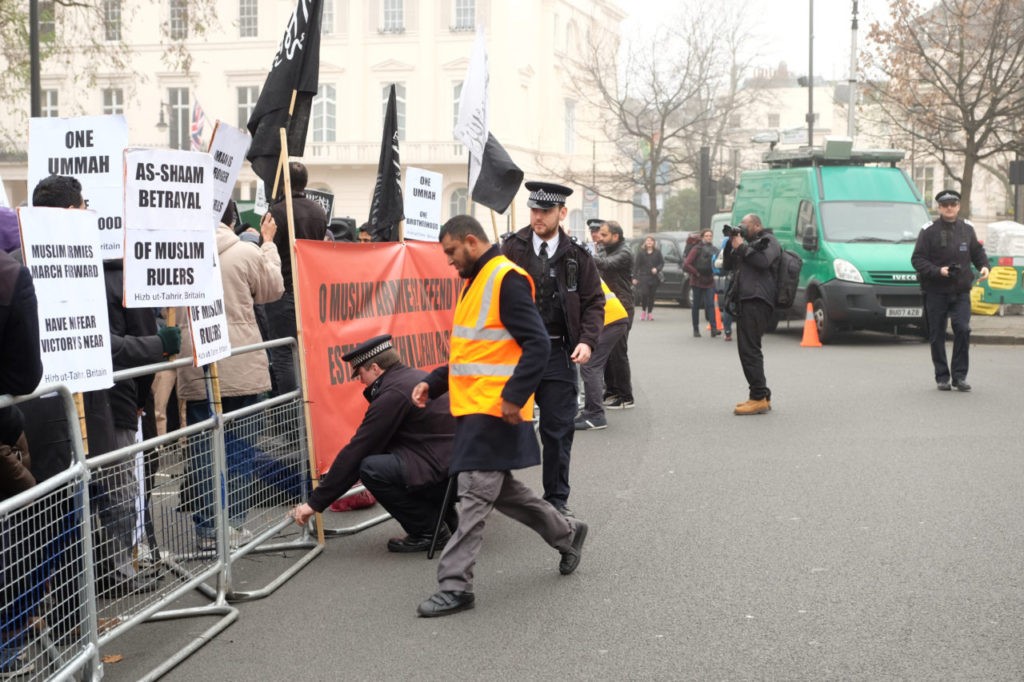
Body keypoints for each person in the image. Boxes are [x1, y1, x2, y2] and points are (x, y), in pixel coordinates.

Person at [413, 215, 588, 618]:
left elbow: (537, 345)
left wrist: (513, 396)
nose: (449, 262)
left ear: (471, 242)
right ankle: (567, 532)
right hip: (479, 409)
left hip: (495, 410)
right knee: (501, 491)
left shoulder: (503, 278)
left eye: (452, 252)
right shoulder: (478, 280)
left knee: (474, 493)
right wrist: (433, 382)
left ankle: (455, 585)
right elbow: (474, 353)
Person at [32, 174, 182, 594]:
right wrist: (158, 343)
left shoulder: (104, 272)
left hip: (100, 402)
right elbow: (106, 346)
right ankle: (88, 582)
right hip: (73, 406)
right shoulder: (42, 267)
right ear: (70, 212)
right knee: (97, 494)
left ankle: (107, 573)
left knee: (110, 492)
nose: (88, 213)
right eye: (82, 206)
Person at [176, 201, 284, 549]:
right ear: (232, 219)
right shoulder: (245, 252)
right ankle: (232, 525)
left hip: (197, 365)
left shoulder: (179, 253)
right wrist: (268, 243)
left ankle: (208, 529)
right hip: (240, 363)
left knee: (203, 453)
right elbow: (273, 289)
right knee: (240, 450)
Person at [291, 335, 455, 552]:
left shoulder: (392, 394)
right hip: (457, 469)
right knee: (393, 458)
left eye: (360, 373)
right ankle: (447, 519)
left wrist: (314, 504)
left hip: (449, 474)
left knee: (371, 469)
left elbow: (357, 451)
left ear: (376, 368)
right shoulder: (412, 377)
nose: (360, 381)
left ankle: (429, 531)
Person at [501, 181, 604, 516]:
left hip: (558, 353)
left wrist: (587, 341)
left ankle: (556, 501)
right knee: (496, 426)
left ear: (561, 213)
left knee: (557, 431)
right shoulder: (511, 249)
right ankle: (489, 494)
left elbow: (593, 302)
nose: (537, 217)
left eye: (544, 211)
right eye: (533, 210)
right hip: (514, 355)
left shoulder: (577, 256)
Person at [0, 244, 42, 678]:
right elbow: (25, 375)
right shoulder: (10, 275)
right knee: (43, 519)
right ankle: (7, 650)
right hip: (1, 432)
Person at [911, 189, 989, 391]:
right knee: (937, 334)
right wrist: (939, 271)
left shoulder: (967, 229)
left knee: (963, 329)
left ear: (958, 207)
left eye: (953, 204)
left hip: (961, 290)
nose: (949, 208)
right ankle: (942, 377)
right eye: (945, 205)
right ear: (939, 208)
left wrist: (984, 266)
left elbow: (977, 252)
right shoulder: (928, 230)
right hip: (936, 290)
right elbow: (917, 259)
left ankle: (960, 376)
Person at [265, 162, 328, 397]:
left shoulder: (276, 213)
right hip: (308, 292)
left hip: (282, 294)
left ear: (283, 183)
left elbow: (267, 252)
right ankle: (309, 412)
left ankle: (292, 420)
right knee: (306, 353)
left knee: (283, 355)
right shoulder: (319, 212)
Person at [723, 213, 779, 416]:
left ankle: (758, 398)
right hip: (746, 301)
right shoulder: (747, 244)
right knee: (748, 350)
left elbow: (764, 262)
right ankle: (762, 395)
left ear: (756, 225)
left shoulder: (769, 240)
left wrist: (742, 247)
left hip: (757, 301)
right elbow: (727, 265)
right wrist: (732, 243)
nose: (741, 228)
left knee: (750, 350)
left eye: (744, 225)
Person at [575, 280, 628, 431]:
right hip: (614, 318)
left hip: (609, 320)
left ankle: (595, 415)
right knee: (593, 365)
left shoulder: (575, 268)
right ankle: (591, 411)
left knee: (590, 365)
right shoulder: (581, 264)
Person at [594, 220, 634, 409]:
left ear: (615, 236)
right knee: (606, 350)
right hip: (608, 307)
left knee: (619, 351)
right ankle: (611, 391)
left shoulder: (625, 252)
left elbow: (606, 265)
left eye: (603, 235)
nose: (599, 238)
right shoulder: (604, 250)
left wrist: (584, 253)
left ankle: (625, 396)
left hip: (623, 307)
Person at [684, 229, 721, 338]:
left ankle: (714, 329)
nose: (709, 237)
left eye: (710, 235)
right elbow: (687, 264)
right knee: (696, 306)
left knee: (710, 304)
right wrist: (697, 273)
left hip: (709, 281)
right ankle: (696, 329)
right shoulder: (696, 249)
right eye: (707, 235)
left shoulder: (714, 249)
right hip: (697, 281)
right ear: (702, 237)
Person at [633, 235, 664, 321]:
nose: (649, 242)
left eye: (651, 241)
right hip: (644, 276)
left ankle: (650, 313)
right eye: (647, 241)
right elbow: (636, 265)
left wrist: (657, 269)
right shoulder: (641, 252)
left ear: (654, 242)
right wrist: (634, 277)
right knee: (644, 294)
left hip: (654, 277)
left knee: (652, 296)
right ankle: (643, 311)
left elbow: (662, 263)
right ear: (645, 243)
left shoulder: (657, 252)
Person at [713, 235, 735, 341]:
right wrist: (727, 263)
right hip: (730, 280)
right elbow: (717, 263)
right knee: (729, 306)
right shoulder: (726, 249)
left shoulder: (746, 247)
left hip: (743, 280)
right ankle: (727, 331)